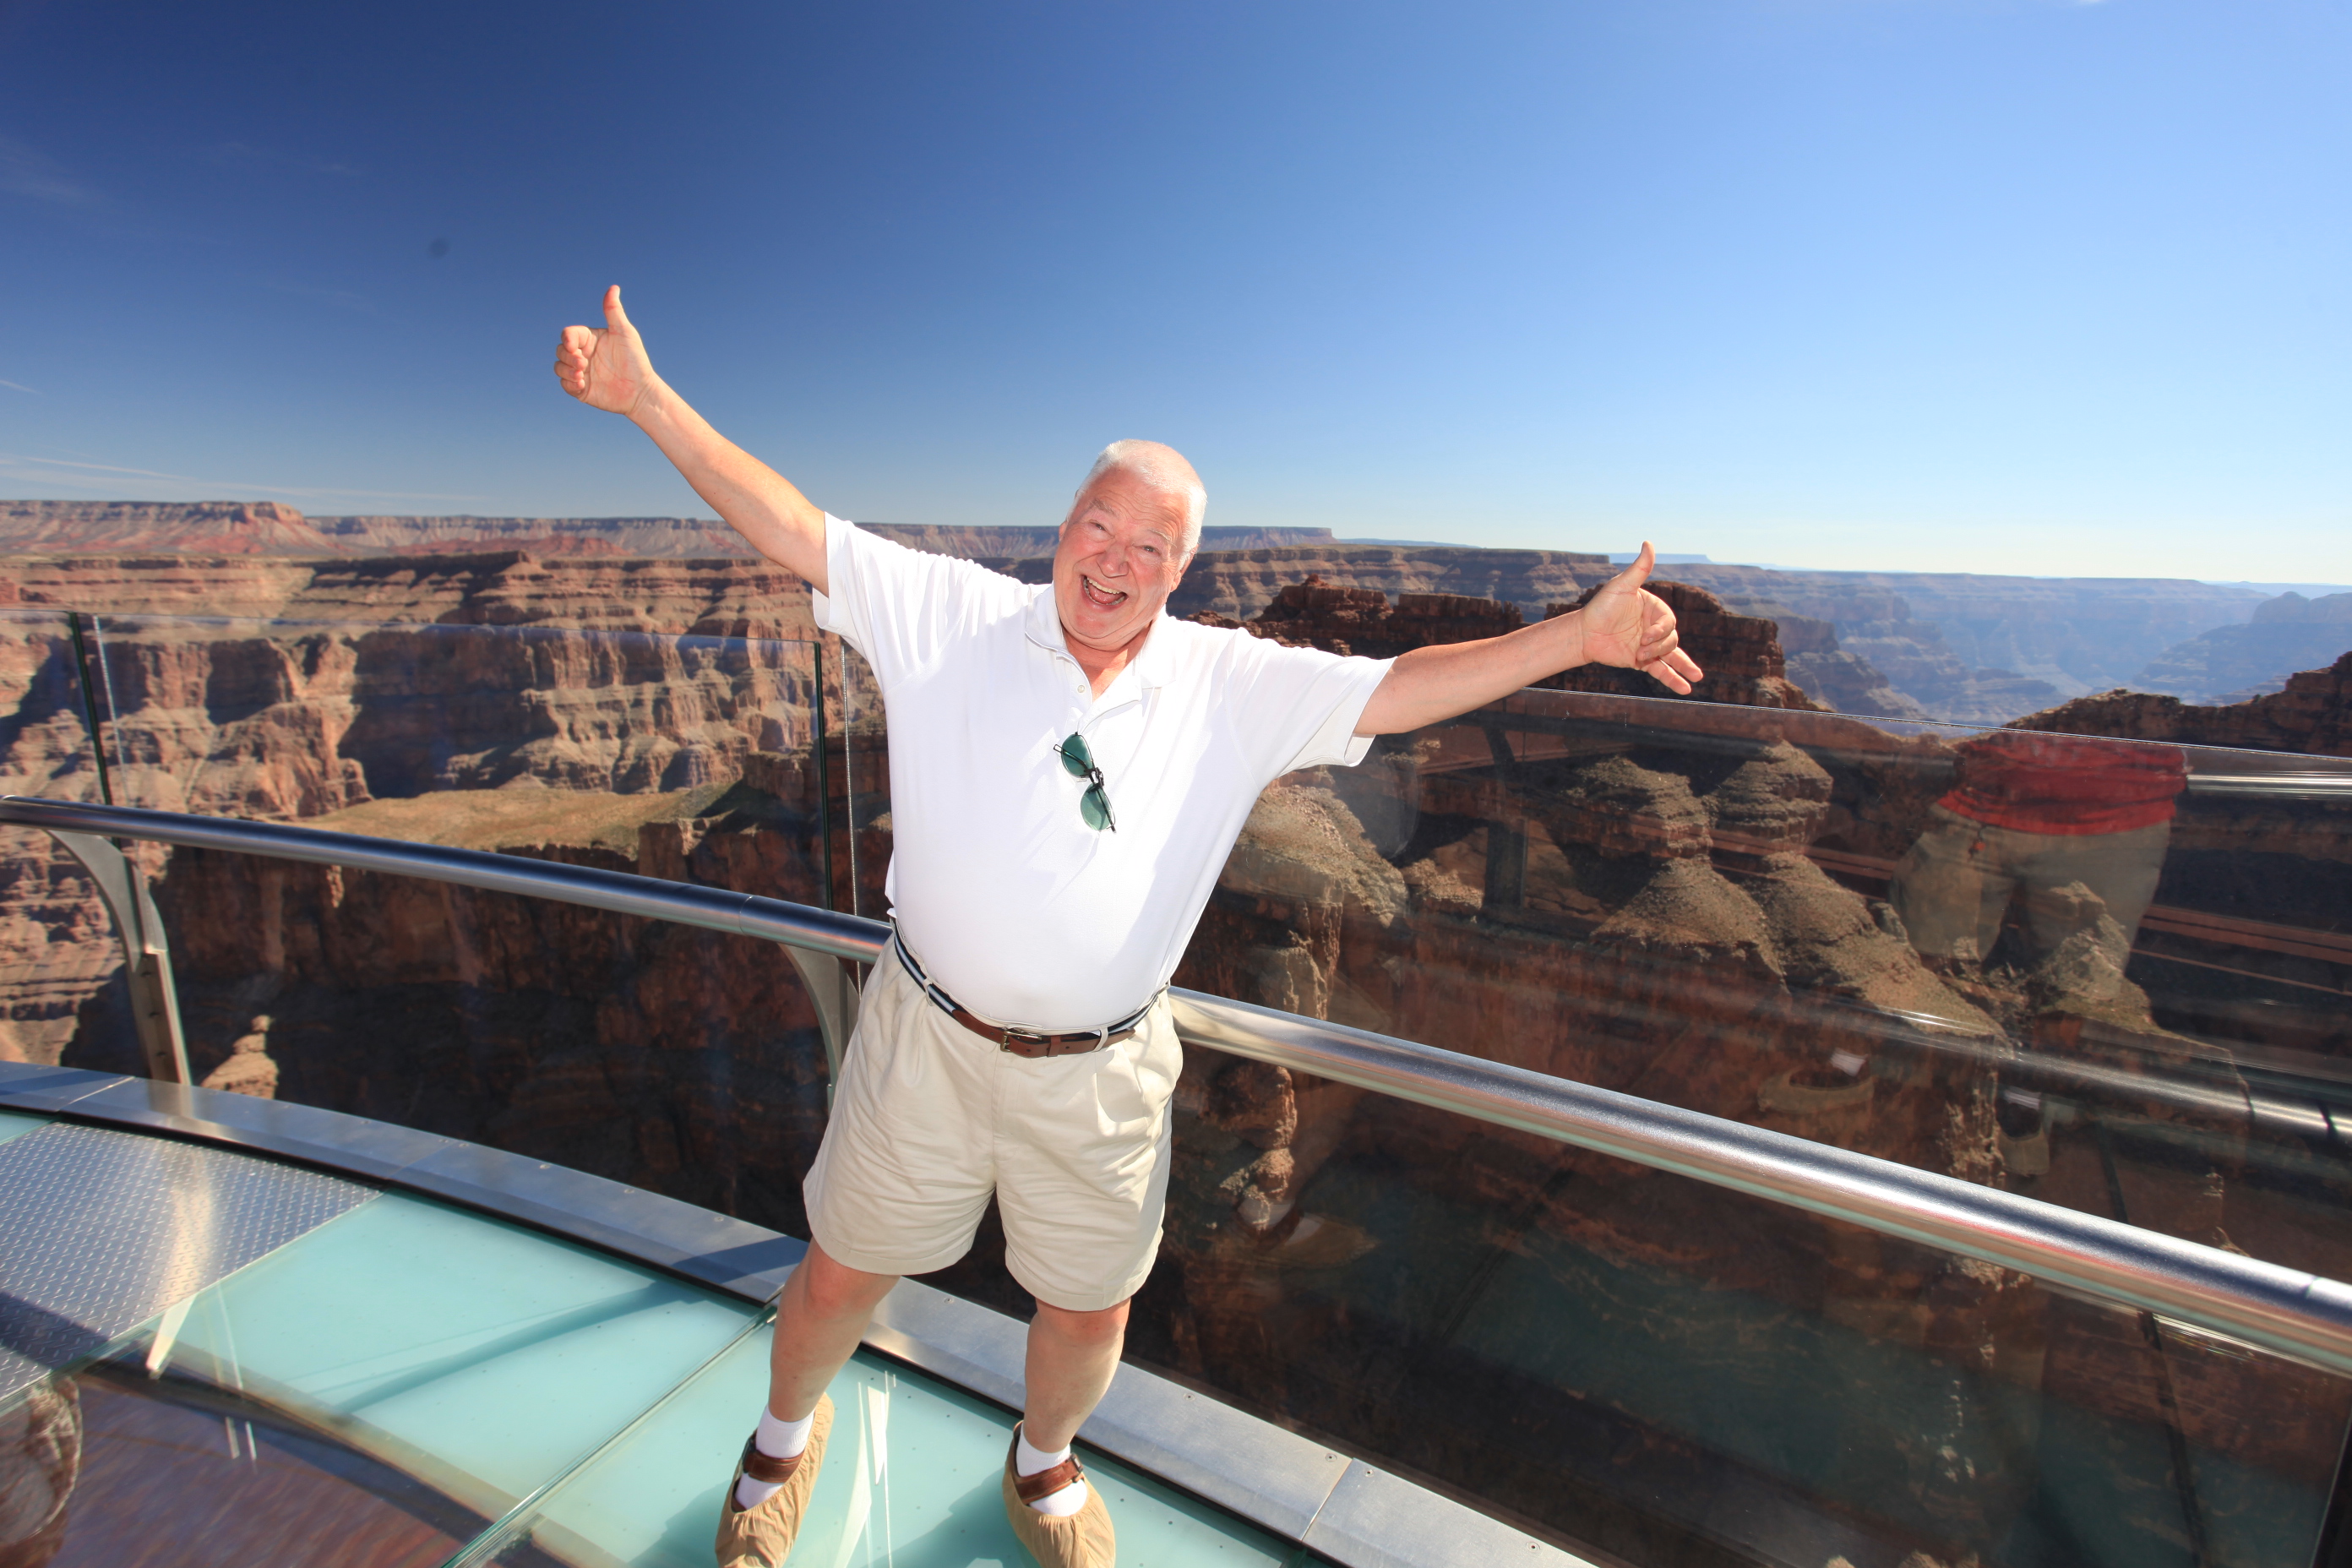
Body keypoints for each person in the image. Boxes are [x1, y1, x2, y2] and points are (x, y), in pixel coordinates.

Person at [554, 285, 1703, 1568]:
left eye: (1151, 548)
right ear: (1063, 529)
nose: (1115, 563)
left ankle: (1044, 1463)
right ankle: (781, 1438)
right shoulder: (951, 612)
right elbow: (791, 524)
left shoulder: (1228, 680)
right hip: (925, 1040)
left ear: (1181, 572)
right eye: (1099, 528)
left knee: (1091, 1308)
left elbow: (1400, 690)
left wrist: (1576, 637)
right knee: (842, 1271)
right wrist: (646, 400)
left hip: (1101, 1075)